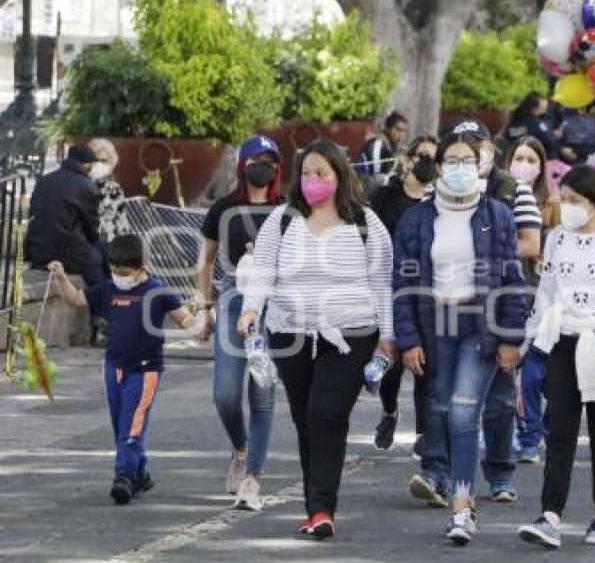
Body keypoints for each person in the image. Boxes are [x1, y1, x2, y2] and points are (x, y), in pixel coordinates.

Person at [238, 139, 394, 540]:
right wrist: (251, 308)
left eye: (321, 173)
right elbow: (263, 270)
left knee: (327, 414)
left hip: (350, 334)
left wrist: (388, 339)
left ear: (340, 176)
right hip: (291, 333)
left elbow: (383, 284)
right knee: (306, 419)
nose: (313, 180)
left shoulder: (365, 223)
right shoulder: (283, 220)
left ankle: (323, 507)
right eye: (306, 173)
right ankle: (315, 507)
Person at [394, 132, 526, 545]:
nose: (459, 167)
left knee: (465, 413)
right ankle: (445, 479)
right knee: (443, 408)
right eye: (451, 159)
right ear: (438, 166)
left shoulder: (498, 214)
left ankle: (463, 509)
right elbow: (400, 283)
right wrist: (407, 338)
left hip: (479, 325)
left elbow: (511, 279)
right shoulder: (416, 219)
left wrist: (510, 337)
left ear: (480, 164)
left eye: (467, 160)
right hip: (435, 324)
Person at [517, 165, 595, 548]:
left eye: (576, 201)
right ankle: (550, 515)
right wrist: (528, 345)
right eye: (563, 199)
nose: (567, 207)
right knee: (560, 432)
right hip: (563, 342)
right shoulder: (555, 239)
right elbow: (546, 294)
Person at [48, 235, 205, 504]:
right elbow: (75, 298)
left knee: (132, 425)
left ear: (143, 268)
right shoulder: (107, 289)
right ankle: (140, 472)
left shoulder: (158, 291)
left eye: (125, 273)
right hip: (114, 367)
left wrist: (203, 317)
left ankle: (124, 476)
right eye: (115, 271)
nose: (119, 277)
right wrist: (61, 277)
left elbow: (188, 323)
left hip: (145, 371)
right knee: (120, 422)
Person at [197, 136, 284, 511]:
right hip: (233, 298)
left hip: (274, 303)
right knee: (226, 393)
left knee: (262, 394)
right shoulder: (223, 208)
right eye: (255, 159)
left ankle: (253, 475)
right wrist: (204, 307)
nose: (261, 166)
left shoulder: (288, 211)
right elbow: (204, 262)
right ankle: (239, 446)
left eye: (269, 160)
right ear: (242, 165)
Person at [446, 118, 529, 502]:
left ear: (488, 151)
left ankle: (499, 472)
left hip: (498, 309)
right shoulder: (440, 198)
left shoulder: (509, 191)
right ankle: (447, 476)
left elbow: (521, 253)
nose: (466, 160)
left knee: (497, 400)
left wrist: (511, 333)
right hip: (452, 313)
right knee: (454, 404)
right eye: (457, 152)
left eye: (474, 148)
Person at [368, 135, 438, 451]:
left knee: (425, 365)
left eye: (433, 158)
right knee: (392, 364)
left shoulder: (439, 201)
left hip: (426, 291)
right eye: (421, 155)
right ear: (408, 159)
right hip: (388, 287)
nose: (425, 162)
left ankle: (424, 435)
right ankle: (389, 410)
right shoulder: (384, 196)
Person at [503, 136, 553, 464]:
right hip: (506, 293)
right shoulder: (498, 195)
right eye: (518, 157)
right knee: (512, 369)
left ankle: (539, 430)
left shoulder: (555, 205)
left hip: (541, 294)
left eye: (531, 159)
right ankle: (521, 433)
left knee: (538, 373)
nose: (523, 164)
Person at [25, 144, 102, 285]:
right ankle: (100, 300)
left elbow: (33, 213)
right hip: (67, 256)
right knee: (101, 259)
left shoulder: (43, 181)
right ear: (87, 164)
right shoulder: (86, 186)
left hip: (38, 252)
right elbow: (92, 230)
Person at [87, 138, 131, 244]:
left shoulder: (114, 189)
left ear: (111, 162)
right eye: (95, 160)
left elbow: (121, 220)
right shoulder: (81, 185)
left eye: (103, 161)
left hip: (110, 244)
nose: (98, 164)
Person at [356, 111, 410, 188]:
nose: (401, 134)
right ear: (388, 129)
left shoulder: (391, 147)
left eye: (404, 131)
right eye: (398, 129)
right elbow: (376, 180)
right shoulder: (378, 145)